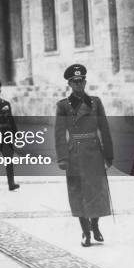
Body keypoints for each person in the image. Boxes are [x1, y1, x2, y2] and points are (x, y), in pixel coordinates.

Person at [55, 64, 113, 247]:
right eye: (75, 82)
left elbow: (104, 129)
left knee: (96, 191)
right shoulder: (63, 106)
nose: (79, 85)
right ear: (70, 84)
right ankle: (85, 232)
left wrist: (109, 154)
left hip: (94, 153)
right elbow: (59, 133)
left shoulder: (95, 103)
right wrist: (63, 157)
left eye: (81, 81)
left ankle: (95, 225)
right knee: (77, 192)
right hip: (75, 155)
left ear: (85, 82)